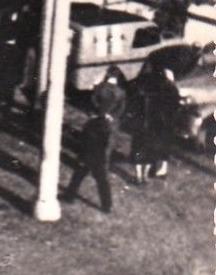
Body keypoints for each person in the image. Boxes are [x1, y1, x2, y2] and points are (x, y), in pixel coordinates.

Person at [62, 84, 125, 213]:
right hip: (97, 157)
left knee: (93, 177)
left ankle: (105, 205)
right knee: (91, 178)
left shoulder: (95, 125)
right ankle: (104, 205)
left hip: (93, 157)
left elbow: (88, 140)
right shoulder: (104, 125)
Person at [128, 65, 181, 184]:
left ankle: (140, 176)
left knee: (139, 149)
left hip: (143, 124)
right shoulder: (168, 90)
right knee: (156, 149)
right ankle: (151, 174)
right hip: (159, 124)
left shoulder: (142, 90)